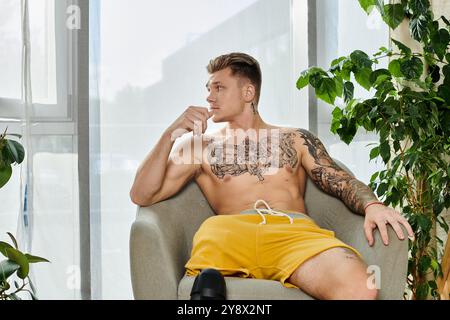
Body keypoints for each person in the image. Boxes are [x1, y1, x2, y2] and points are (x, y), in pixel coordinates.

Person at [130, 52, 414, 300]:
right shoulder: (198, 146)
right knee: (207, 287)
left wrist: (372, 204)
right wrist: (171, 133)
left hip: (292, 233)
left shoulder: (295, 139)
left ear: (248, 93)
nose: (209, 97)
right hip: (228, 233)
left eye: (219, 87)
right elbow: (142, 194)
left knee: (362, 288)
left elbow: (337, 179)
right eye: (208, 88)